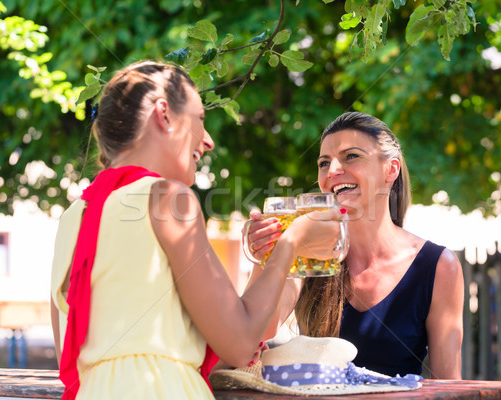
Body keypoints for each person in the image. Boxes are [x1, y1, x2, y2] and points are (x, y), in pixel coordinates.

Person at [49, 60, 344, 400]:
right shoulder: (169, 199)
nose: (208, 141)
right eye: (200, 119)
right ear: (164, 115)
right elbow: (240, 344)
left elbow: (69, 355)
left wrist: (269, 259)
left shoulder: (74, 216)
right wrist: (293, 240)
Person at [243, 111, 464, 379]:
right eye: (324, 163)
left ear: (390, 169)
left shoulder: (437, 266)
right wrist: (266, 255)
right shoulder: (308, 254)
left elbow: (448, 384)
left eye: (352, 156)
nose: (333, 171)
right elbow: (255, 332)